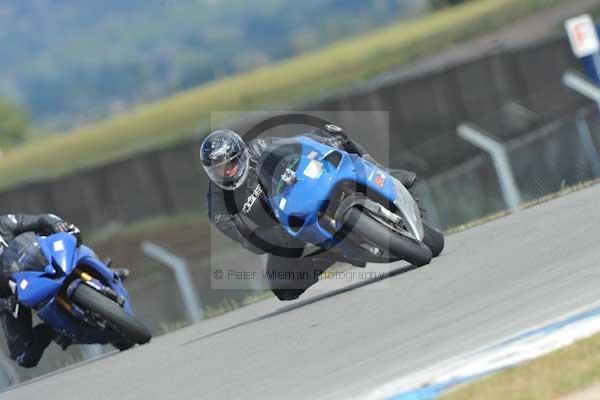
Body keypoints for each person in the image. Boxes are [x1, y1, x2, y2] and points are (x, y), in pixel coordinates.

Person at [201, 125, 417, 301]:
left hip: (302, 189)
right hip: (282, 227)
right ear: (210, 171)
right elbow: (243, 237)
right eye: (219, 169)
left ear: (242, 154)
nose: (228, 171)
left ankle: (383, 173)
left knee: (333, 133)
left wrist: (323, 138)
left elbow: (297, 144)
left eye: (231, 163)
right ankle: (331, 253)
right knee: (282, 287)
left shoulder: (258, 149)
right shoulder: (217, 203)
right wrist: (269, 239)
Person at [0, 214, 127, 368]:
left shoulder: (4, 223)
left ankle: (104, 271)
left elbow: (41, 219)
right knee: (24, 356)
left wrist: (57, 224)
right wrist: (3, 303)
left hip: (41, 260)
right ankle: (51, 331)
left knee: (72, 237)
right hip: (11, 295)